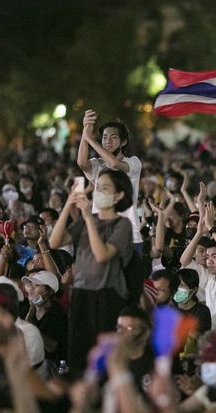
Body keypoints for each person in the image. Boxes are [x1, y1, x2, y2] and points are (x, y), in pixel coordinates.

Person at [49, 169, 134, 373]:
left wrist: (88, 217)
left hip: (107, 295)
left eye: (105, 188)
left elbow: (102, 255)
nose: (98, 192)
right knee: (80, 356)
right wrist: (69, 203)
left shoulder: (122, 224)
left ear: (119, 195)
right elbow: (55, 241)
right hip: (81, 293)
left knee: (105, 358)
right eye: (97, 187)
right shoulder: (89, 219)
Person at [77, 110, 143, 255]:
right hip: (102, 234)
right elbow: (82, 163)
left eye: (113, 137)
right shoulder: (98, 164)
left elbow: (113, 163)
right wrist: (85, 131)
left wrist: (91, 140)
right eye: (105, 137)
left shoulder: (133, 162)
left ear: (123, 142)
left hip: (130, 235)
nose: (108, 141)